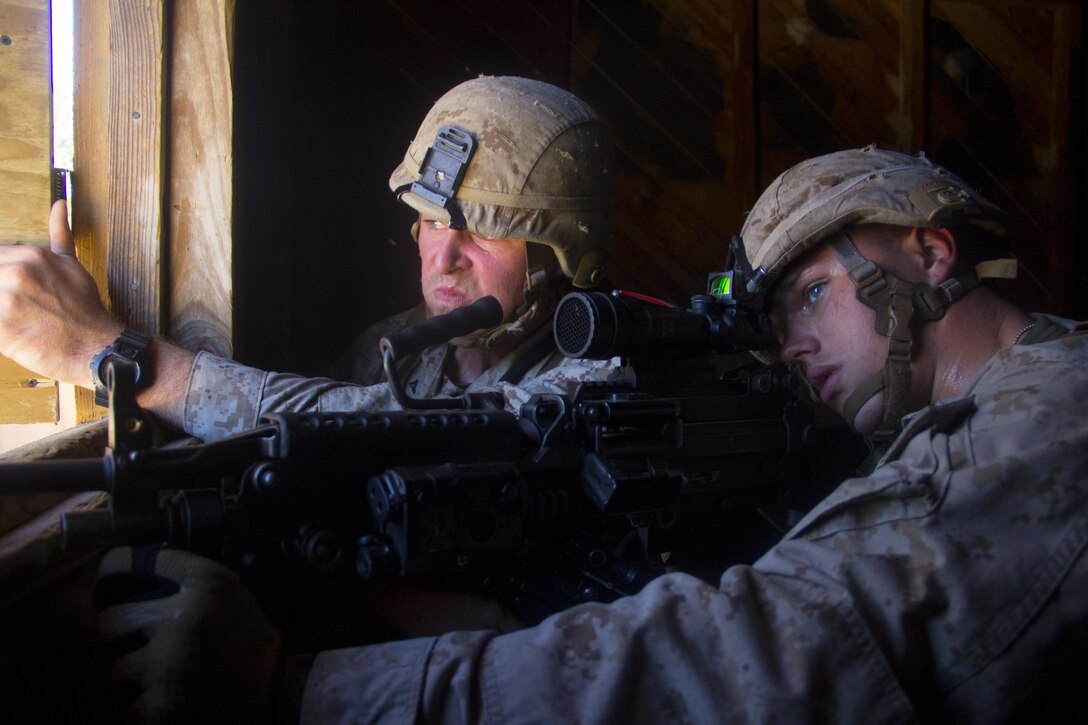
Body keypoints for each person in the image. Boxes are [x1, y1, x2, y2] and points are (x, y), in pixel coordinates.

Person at [88, 145, 1088, 722]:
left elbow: (786, 645)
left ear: (930, 252)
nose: (790, 344)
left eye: (814, 292)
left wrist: (307, 693)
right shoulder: (980, 411)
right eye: (776, 315)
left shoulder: (1053, 420)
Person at [0, 75, 623, 443]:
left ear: (562, 258)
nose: (446, 257)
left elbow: (369, 429)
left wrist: (107, 354)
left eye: (484, 232)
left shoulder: (598, 379)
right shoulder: (403, 342)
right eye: (434, 220)